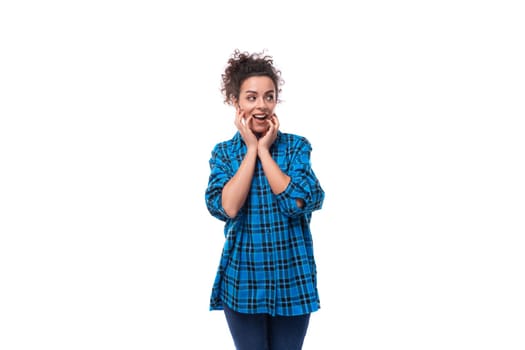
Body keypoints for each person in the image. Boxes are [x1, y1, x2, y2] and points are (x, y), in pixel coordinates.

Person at [205, 49, 325, 350]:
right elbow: (228, 207)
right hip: (242, 281)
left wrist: (264, 152)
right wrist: (249, 150)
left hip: (292, 279)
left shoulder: (297, 148)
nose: (261, 105)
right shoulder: (224, 153)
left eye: (269, 97)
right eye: (252, 97)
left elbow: (296, 203)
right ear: (236, 102)